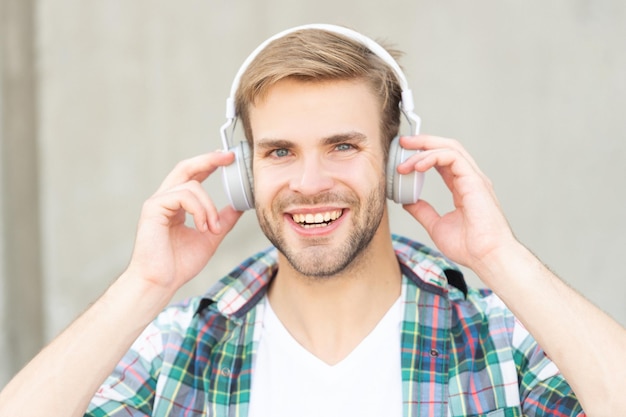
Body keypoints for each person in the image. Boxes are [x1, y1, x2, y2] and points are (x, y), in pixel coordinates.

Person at [0, 24, 624, 417]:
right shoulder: (179, 348)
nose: (308, 183)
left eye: (343, 146)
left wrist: (499, 255)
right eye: (279, 152)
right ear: (244, 176)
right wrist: (143, 285)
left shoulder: (495, 337)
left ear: (398, 163)